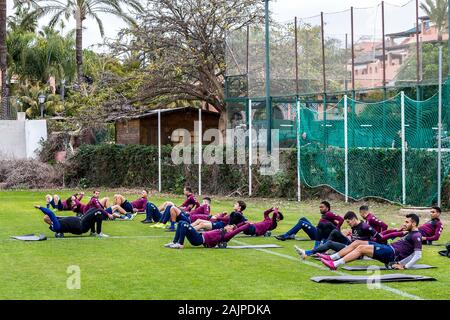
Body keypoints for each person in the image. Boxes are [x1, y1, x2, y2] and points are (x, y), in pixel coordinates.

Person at [320, 214, 422, 270]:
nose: (404, 224)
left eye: (407, 222)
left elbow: (417, 255)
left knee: (361, 248)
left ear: (413, 223)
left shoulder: (417, 236)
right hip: (389, 249)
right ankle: (332, 257)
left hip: (392, 254)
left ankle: (335, 264)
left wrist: (403, 265)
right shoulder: (410, 233)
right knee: (357, 242)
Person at [295, 211, 378, 259]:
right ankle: (322, 250)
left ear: (353, 219)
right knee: (335, 231)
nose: (348, 224)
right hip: (350, 245)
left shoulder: (365, 227)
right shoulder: (355, 226)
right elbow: (356, 237)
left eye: (349, 222)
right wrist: (348, 235)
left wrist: (375, 251)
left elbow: (379, 238)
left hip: (355, 250)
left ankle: (307, 252)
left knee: (330, 243)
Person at [275, 201, 343, 246]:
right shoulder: (325, 215)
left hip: (317, 234)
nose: (320, 208)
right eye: (320, 207)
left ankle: (285, 236)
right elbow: (334, 222)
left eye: (322, 207)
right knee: (302, 219)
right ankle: (291, 235)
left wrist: (337, 229)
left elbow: (341, 219)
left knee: (301, 222)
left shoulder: (329, 214)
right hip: (317, 231)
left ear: (327, 208)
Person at [34, 205, 108, 238]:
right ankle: (99, 233)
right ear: (50, 220)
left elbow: (49, 216)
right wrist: (40, 207)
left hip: (80, 220)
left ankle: (93, 232)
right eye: (51, 218)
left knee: (93, 209)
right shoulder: (55, 226)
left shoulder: (54, 224)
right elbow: (50, 213)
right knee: (98, 212)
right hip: (81, 226)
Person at [165, 221, 250, 249]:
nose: (228, 225)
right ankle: (174, 242)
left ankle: (180, 244)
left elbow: (237, 230)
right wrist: (243, 223)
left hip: (198, 240)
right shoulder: (223, 230)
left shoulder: (227, 235)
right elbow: (237, 227)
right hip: (198, 236)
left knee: (184, 224)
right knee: (181, 223)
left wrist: (247, 225)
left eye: (230, 226)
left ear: (230, 230)